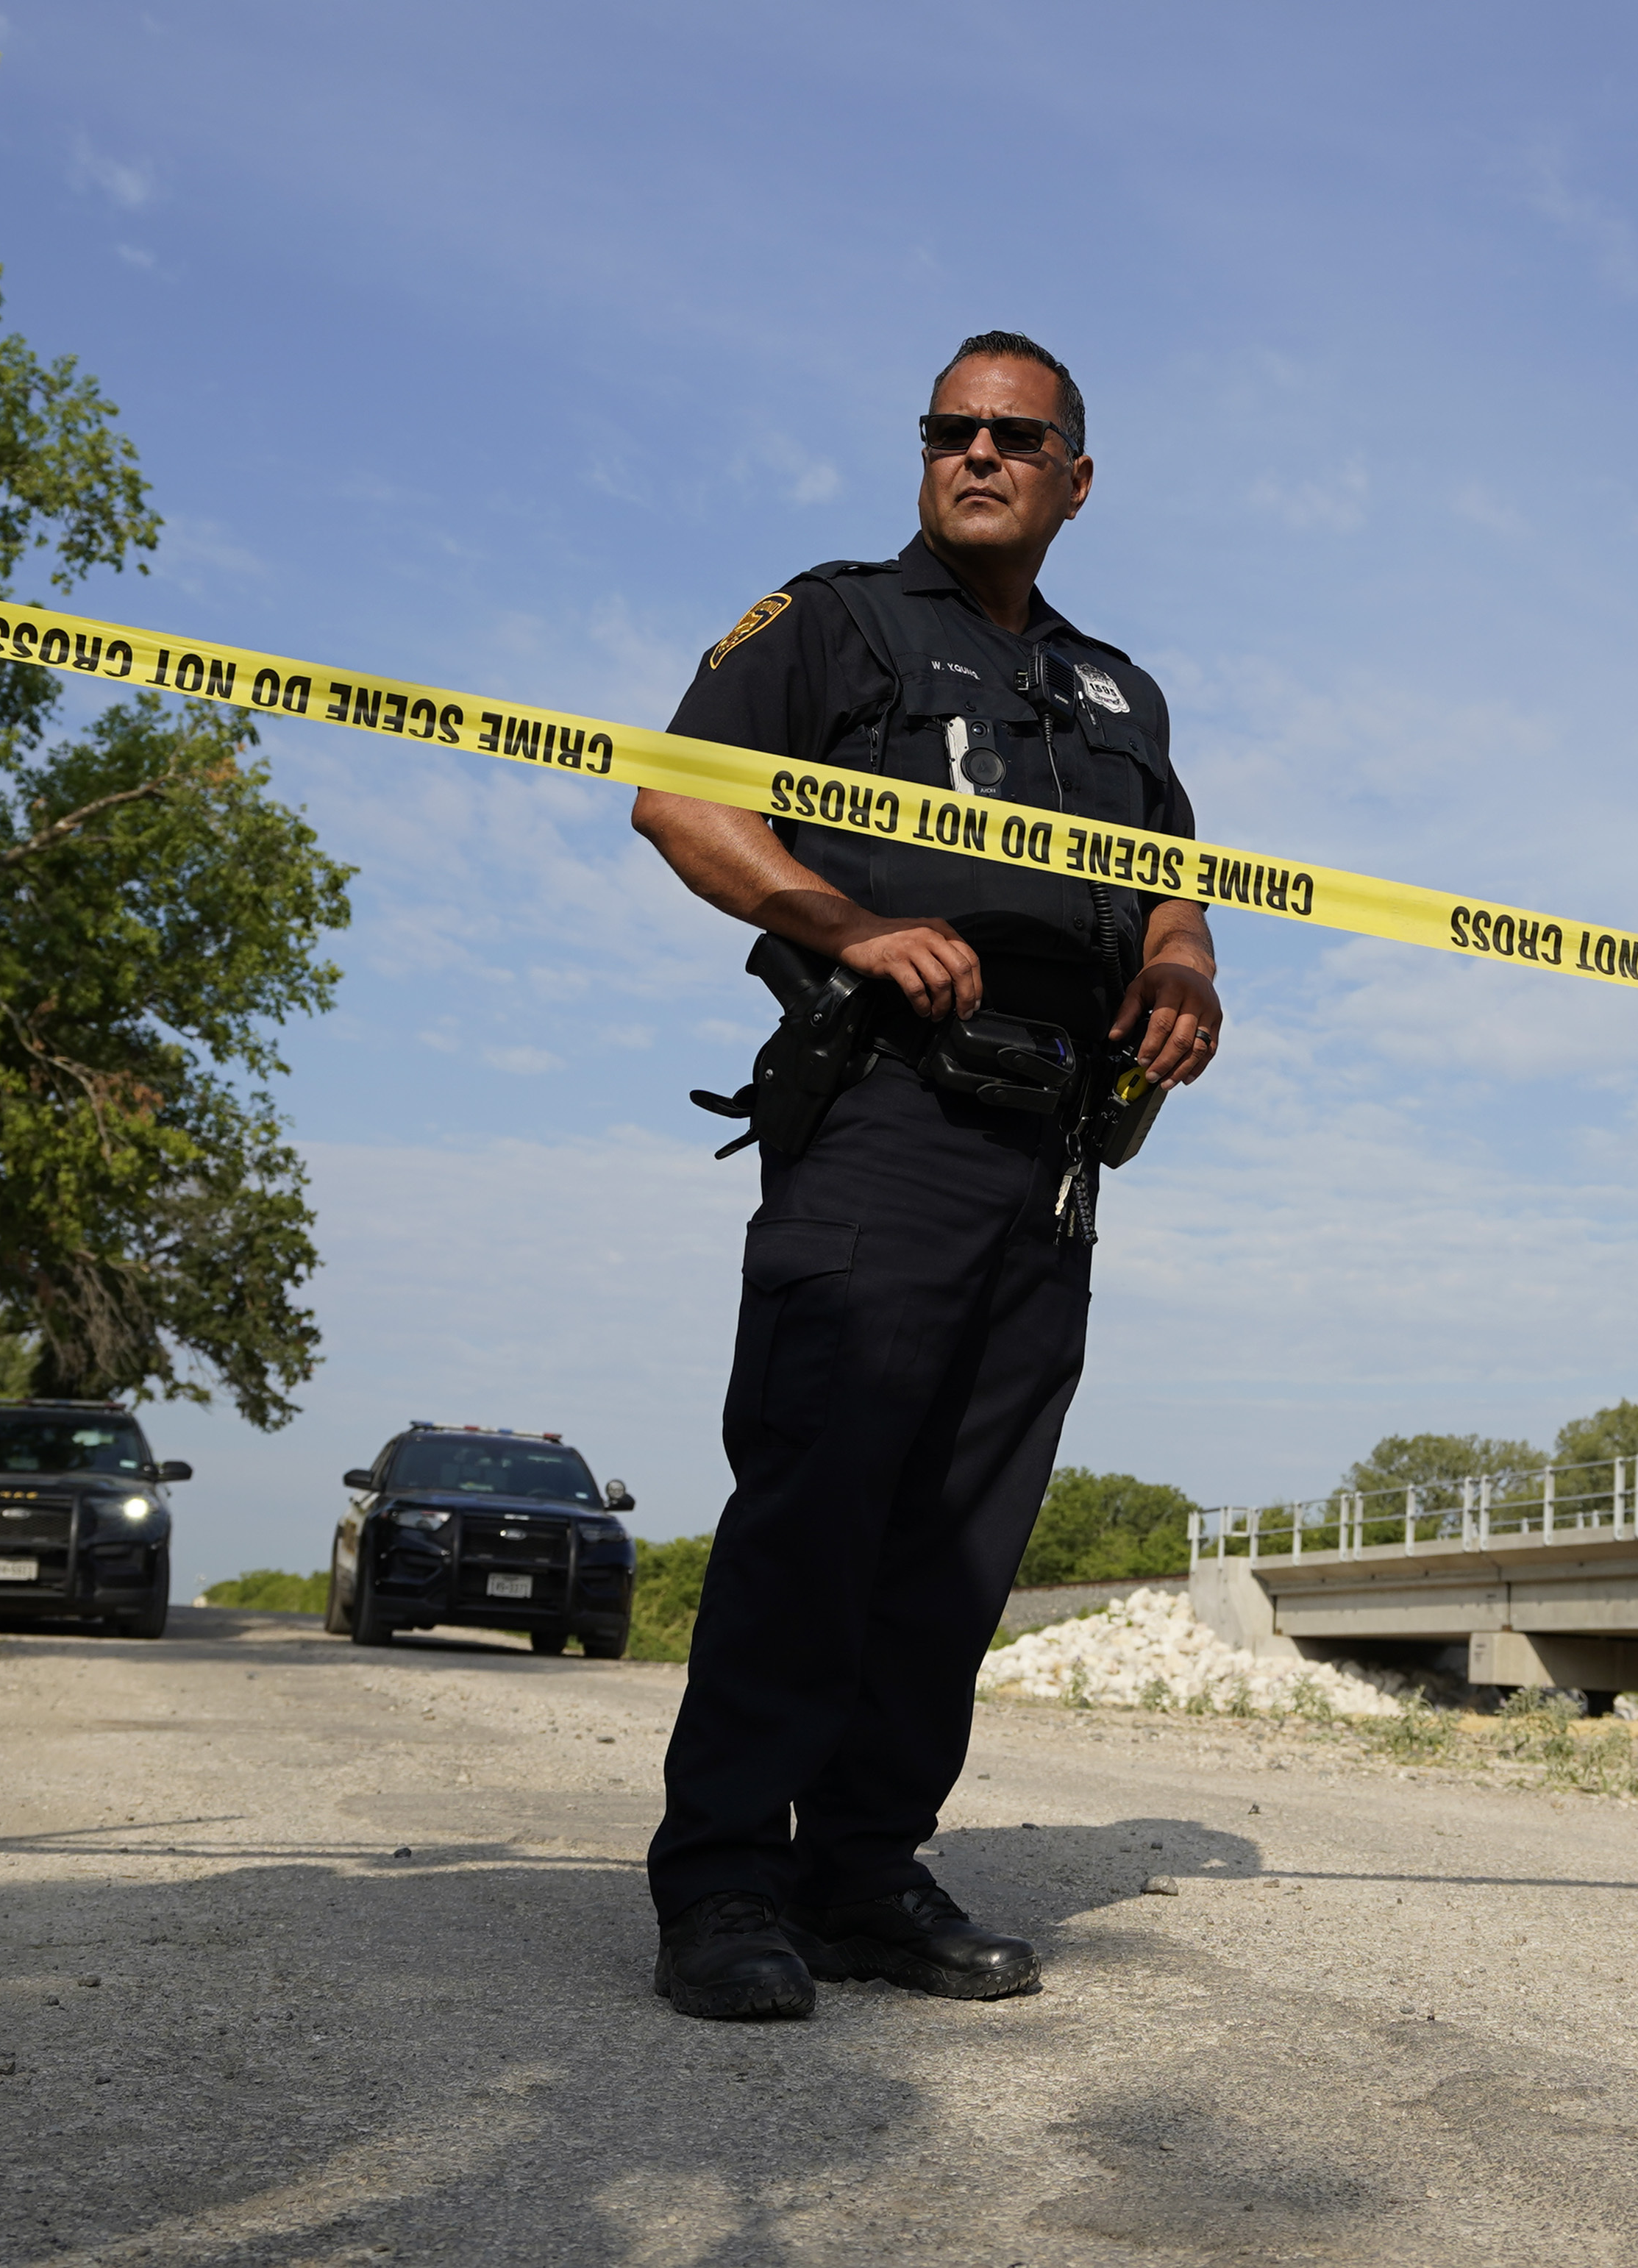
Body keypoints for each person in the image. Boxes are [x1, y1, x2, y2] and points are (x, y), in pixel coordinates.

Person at [630, 330, 1222, 2020]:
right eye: (952, 428)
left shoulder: (1118, 692)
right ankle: (724, 1881)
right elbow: (678, 799)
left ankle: (866, 1872)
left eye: (1015, 438)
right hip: (889, 1116)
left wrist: (1183, 967)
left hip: (1052, 1155)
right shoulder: (834, 624)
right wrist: (850, 925)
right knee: (818, 1504)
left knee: (963, 1538)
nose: (978, 453)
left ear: (1074, 481)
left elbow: (1171, 876)